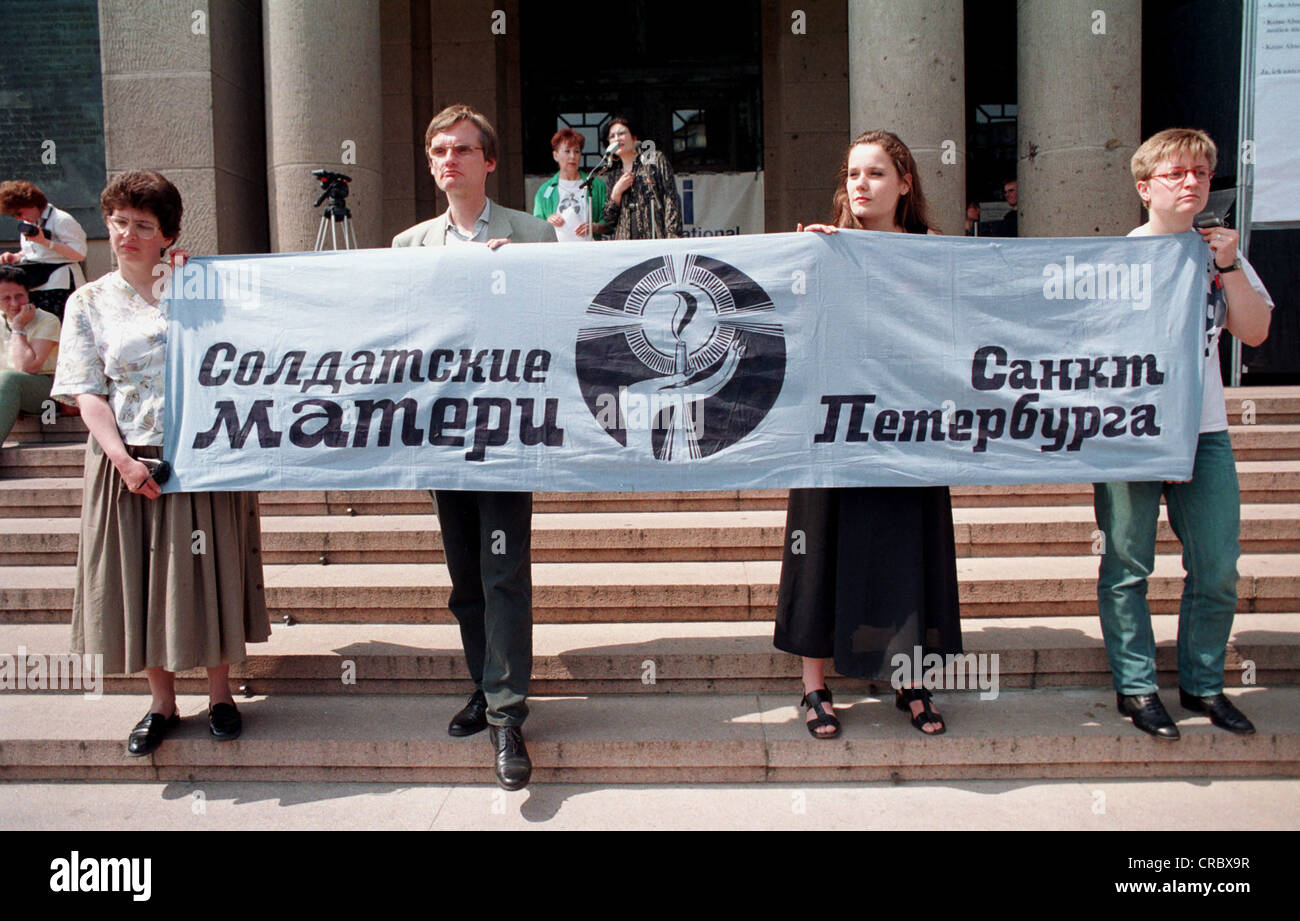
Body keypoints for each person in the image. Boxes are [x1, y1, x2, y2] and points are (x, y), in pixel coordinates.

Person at [51, 170, 270, 756]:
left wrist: (207, 284)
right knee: (143, 581)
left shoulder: (200, 291)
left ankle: (221, 694)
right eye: (119, 221)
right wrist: (120, 459)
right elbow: (86, 390)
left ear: (167, 234)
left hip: (205, 458)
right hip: (127, 460)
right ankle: (162, 702)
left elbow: (251, 357)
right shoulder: (88, 301)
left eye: (142, 225)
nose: (126, 234)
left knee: (211, 572)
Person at [774, 130, 962, 739]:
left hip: (907, 430)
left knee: (905, 548)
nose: (862, 184)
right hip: (833, 428)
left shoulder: (934, 252)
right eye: (854, 174)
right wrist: (806, 266)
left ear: (905, 183)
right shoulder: (821, 250)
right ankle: (814, 686)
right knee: (819, 543)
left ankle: (910, 681)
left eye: (877, 173)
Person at [391, 104, 555, 791]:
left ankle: (508, 716)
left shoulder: (533, 233)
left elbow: (554, 322)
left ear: (489, 161)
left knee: (502, 572)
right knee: (466, 578)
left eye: (462, 149)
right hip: (440, 432)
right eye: (438, 150)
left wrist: (517, 276)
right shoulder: (407, 246)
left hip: (507, 430)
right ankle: (484, 687)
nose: (448, 159)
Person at [1094, 128, 1273, 740]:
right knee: (1126, 565)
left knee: (1218, 566)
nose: (1192, 182)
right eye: (1177, 173)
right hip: (1132, 435)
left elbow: (1253, 333)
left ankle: (1202, 684)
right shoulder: (1116, 259)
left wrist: (1227, 266)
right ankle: (1138, 688)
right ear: (1145, 188)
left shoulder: (1221, 253)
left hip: (1205, 432)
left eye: (1201, 172)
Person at [0, 180, 87, 320]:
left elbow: (80, 253)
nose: (19, 218)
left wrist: (46, 242)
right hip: (38, 284)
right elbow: (34, 252)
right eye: (14, 215)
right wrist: (16, 257)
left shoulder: (61, 220)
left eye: (19, 212)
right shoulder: (29, 221)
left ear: (32, 204)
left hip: (60, 284)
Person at [0, 264, 60, 444]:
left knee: (9, 379)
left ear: (28, 294)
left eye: (19, 296)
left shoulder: (47, 320)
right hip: (7, 391)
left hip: (46, 394)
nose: (14, 304)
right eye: (6, 298)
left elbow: (27, 367)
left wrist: (18, 328)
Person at [600, 116, 683, 240]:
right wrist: (616, 192)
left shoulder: (654, 160)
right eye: (612, 136)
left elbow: (670, 198)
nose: (617, 139)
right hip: (626, 244)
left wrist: (672, 235)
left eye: (621, 133)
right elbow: (609, 219)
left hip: (655, 237)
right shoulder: (614, 174)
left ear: (634, 137)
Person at [533, 128, 607, 242]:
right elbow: (536, 226)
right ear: (555, 155)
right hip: (557, 254)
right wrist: (548, 221)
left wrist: (594, 227)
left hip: (590, 252)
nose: (572, 156)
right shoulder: (544, 191)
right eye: (567, 151)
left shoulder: (597, 185)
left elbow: (609, 223)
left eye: (576, 151)